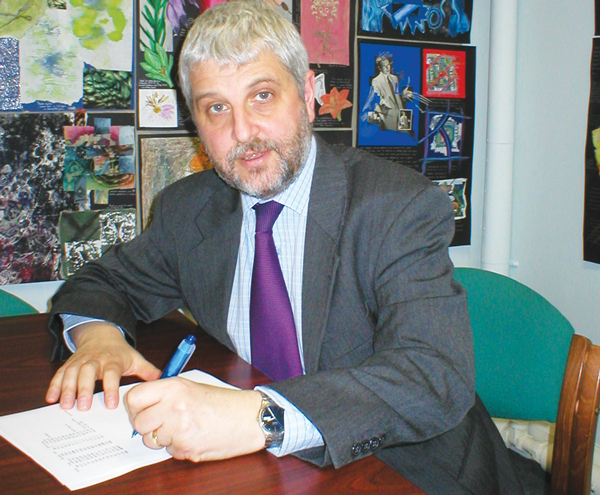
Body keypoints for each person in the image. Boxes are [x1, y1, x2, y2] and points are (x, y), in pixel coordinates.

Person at [45, 1, 523, 494]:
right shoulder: (187, 210)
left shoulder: (396, 207)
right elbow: (101, 282)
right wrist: (100, 338)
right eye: (216, 108)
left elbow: (434, 374)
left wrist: (262, 417)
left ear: (309, 95)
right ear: (196, 123)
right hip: (265, 473)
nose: (243, 132)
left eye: (263, 96)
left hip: (406, 469)